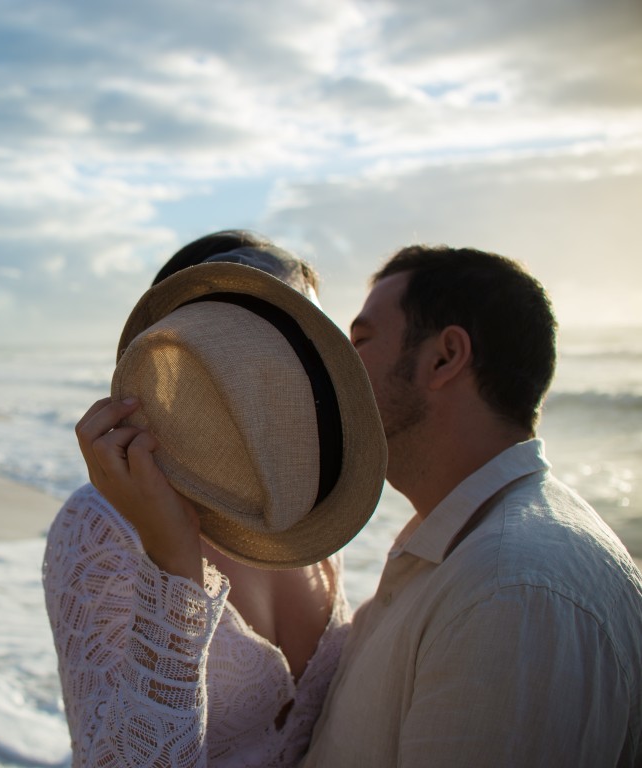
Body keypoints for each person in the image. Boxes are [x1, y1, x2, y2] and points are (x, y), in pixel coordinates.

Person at [76, 243, 642, 767]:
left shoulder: (512, 592)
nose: (330, 369)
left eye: (360, 341)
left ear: (444, 358)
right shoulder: (456, 546)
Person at [43, 231, 388, 766]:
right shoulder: (99, 526)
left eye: (310, 344)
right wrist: (172, 562)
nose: (295, 367)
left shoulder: (306, 514)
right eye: (259, 341)